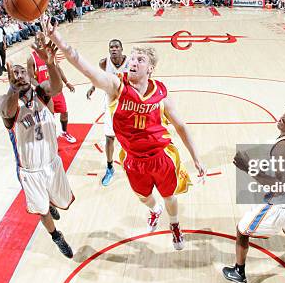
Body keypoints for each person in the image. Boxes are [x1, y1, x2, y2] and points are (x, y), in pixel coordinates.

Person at [44, 18, 205, 250]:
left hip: (162, 157)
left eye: (140, 60)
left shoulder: (161, 93)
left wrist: (197, 158)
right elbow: (85, 67)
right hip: (133, 159)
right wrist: (56, 38)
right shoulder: (116, 86)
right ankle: (154, 209)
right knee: (145, 197)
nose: (133, 62)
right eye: (132, 58)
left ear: (150, 68)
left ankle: (174, 225)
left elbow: (181, 126)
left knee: (170, 196)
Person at [0, 30, 74, 258]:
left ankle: (49, 204)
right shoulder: (4, 101)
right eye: (14, 73)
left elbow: (56, 87)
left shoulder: (41, 92)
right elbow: (7, 111)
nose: (18, 75)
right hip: (30, 169)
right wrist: (12, 88)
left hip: (51, 161)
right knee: (40, 209)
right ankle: (56, 236)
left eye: (22, 72)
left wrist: (50, 64)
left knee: (58, 198)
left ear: (30, 76)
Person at [222, 105, 285, 283]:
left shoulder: (284, 147)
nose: (283, 116)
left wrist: (249, 168)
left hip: (280, 203)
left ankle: (239, 272)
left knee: (242, 230)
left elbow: (280, 186)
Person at [86, 39, 129, 186]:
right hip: (111, 103)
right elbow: (99, 76)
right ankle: (110, 167)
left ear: (122, 48)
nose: (114, 49)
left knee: (130, 138)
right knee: (109, 138)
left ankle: (132, 164)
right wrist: (92, 87)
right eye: (111, 47)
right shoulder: (104, 63)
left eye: (117, 46)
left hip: (127, 104)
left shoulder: (130, 62)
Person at [27, 44, 77, 143]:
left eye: (42, 40)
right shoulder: (31, 58)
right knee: (50, 117)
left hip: (56, 89)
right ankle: (52, 139)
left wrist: (66, 82)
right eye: (38, 39)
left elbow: (58, 69)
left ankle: (64, 132)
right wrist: (40, 88)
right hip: (45, 94)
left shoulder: (50, 53)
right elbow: (30, 77)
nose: (40, 42)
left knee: (64, 112)